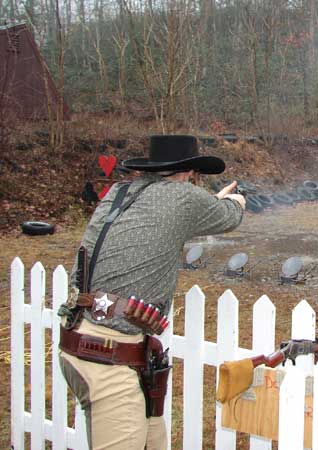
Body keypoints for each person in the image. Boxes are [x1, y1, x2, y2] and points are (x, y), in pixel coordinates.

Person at [58, 135, 245, 449]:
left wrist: (208, 201)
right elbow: (230, 216)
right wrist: (235, 202)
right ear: (186, 174)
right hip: (109, 359)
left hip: (78, 338)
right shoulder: (181, 197)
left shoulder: (118, 192)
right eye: (194, 176)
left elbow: (163, 218)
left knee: (153, 440)